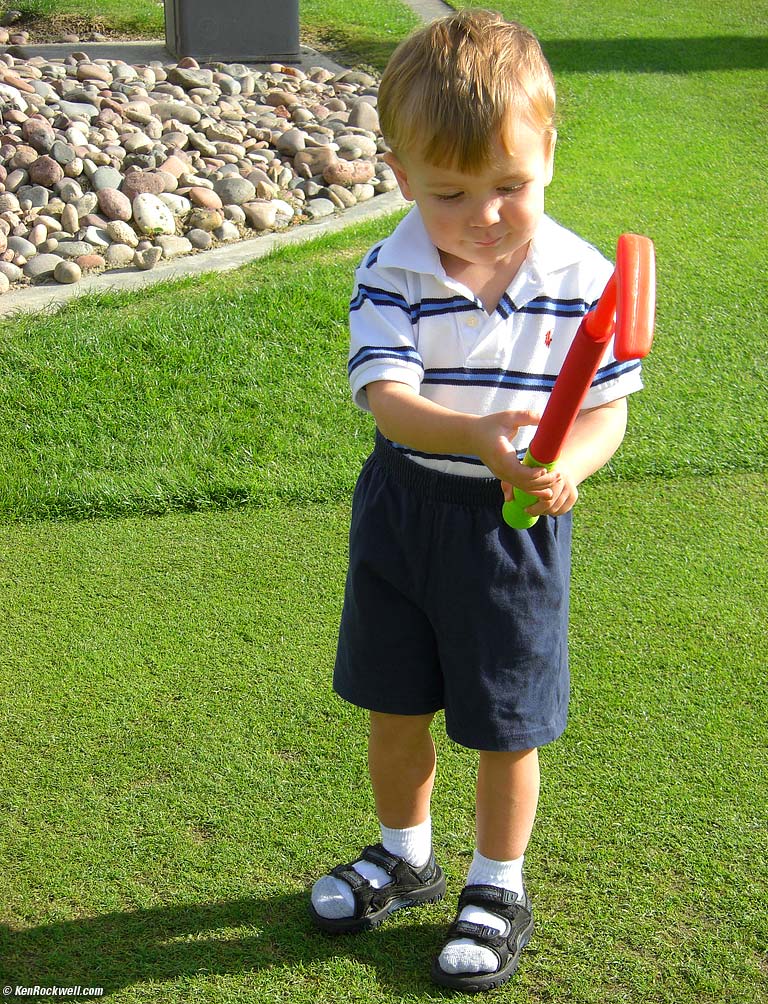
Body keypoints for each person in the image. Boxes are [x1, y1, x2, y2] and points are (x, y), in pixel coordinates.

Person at [308, 8, 644, 993]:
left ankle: (497, 884)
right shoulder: (392, 267)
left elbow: (609, 408)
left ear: (549, 158)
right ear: (403, 176)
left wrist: (569, 462)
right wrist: (481, 438)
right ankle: (406, 856)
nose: (486, 214)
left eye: (513, 186)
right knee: (394, 702)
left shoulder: (585, 279)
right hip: (408, 506)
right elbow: (389, 397)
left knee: (507, 721)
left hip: (518, 527)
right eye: (451, 192)